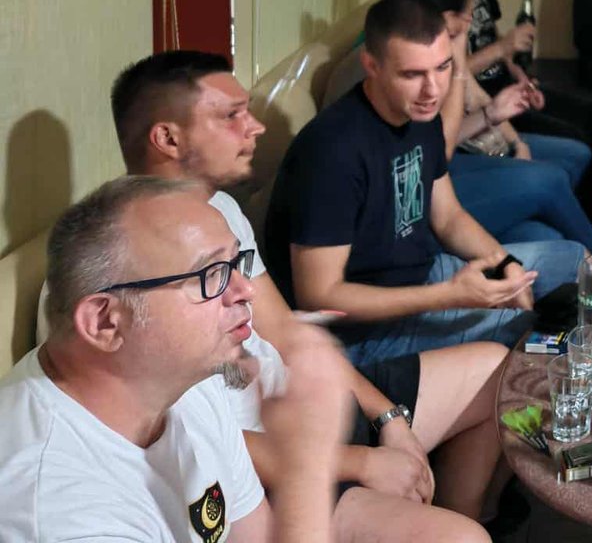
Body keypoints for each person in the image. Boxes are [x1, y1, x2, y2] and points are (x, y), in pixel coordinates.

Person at [109, 51, 507, 540]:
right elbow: (197, 439)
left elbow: (284, 330)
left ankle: (466, 511)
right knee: (462, 540)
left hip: (306, 408)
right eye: (231, 115)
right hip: (267, 471)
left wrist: (388, 418)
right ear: (168, 138)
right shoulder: (126, 264)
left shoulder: (222, 210)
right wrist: (361, 463)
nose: (255, 126)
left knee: (494, 370)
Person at [0, 175, 349, 542]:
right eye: (211, 273)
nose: (245, 290)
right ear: (105, 322)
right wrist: (306, 467)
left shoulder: (182, 380)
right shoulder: (58, 511)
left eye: (235, 263)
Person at [263, 0, 586, 368]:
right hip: (362, 335)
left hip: (423, 278)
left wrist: (503, 263)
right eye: (412, 75)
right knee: (536, 330)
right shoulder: (332, 151)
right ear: (371, 65)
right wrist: (451, 295)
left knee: (576, 260)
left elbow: (448, 218)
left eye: (443, 67)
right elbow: (319, 296)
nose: (433, 90)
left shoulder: (419, 114)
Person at [389, 0, 592, 253]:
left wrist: (498, 120)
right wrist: (461, 70)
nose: (470, 21)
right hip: (422, 193)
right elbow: (439, 151)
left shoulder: (441, 52)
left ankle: (552, 230)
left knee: (542, 231)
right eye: (466, 14)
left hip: (442, 171)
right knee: (550, 180)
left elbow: (440, 141)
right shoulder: (416, 66)